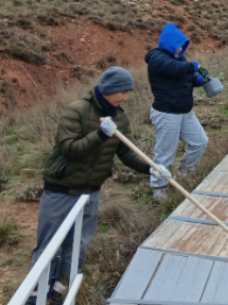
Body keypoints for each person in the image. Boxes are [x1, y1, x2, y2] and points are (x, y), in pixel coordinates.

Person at [28, 67, 169, 305]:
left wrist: (151, 167)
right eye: (122, 92)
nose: (125, 97)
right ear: (109, 89)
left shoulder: (120, 118)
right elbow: (70, 150)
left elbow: (125, 152)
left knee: (78, 243)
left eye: (127, 92)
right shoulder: (77, 111)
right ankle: (35, 293)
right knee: (50, 243)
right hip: (61, 188)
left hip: (90, 191)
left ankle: (62, 287)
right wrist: (101, 135)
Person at [146, 22, 209, 201]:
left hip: (185, 112)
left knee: (200, 142)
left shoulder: (179, 58)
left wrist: (199, 80)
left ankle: (183, 173)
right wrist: (193, 66)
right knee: (165, 153)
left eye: (183, 46)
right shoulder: (156, 58)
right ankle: (159, 188)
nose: (180, 49)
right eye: (178, 45)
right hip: (166, 114)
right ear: (169, 43)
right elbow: (175, 70)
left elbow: (186, 75)